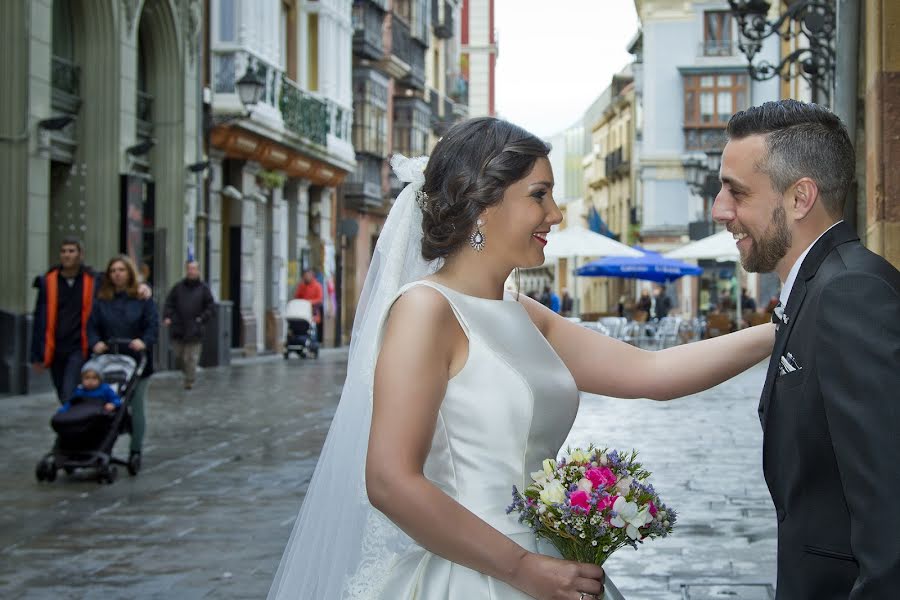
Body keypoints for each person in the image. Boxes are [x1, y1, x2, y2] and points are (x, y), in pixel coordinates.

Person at [268, 118, 775, 600]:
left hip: (549, 566)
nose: (555, 214)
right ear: (482, 205)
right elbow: (389, 480)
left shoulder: (523, 312)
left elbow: (654, 373)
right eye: (539, 195)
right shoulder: (425, 311)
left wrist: (780, 329)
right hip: (479, 572)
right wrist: (520, 568)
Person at [713, 99, 900, 598]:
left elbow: (890, 511)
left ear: (800, 198)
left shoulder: (849, 294)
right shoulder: (819, 291)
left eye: (736, 192)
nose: (719, 210)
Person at [30, 237, 151, 404]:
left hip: (80, 346)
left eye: (71, 251)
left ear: (80, 255)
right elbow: (40, 317)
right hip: (55, 346)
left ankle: (73, 425)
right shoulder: (48, 281)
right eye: (63, 251)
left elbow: (120, 280)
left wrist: (143, 286)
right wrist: (36, 354)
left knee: (70, 391)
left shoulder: (93, 279)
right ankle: (75, 422)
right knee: (61, 392)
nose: (67, 255)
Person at [87, 256, 159, 465]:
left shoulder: (141, 298)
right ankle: (99, 445)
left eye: (121, 270)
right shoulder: (102, 300)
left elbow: (152, 325)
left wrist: (144, 341)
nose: (117, 274)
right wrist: (95, 342)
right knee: (103, 402)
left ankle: (135, 449)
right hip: (108, 360)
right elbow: (92, 325)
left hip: (136, 361)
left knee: (136, 404)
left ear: (129, 273)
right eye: (113, 271)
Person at [163, 260, 215, 390]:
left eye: (194, 269)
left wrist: (201, 318)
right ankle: (186, 374)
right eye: (189, 269)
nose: (191, 271)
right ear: (186, 270)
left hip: (195, 328)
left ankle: (189, 381)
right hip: (179, 328)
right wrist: (168, 316)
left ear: (198, 271)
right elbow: (169, 303)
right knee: (179, 357)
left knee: (191, 357)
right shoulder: (178, 288)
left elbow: (210, 307)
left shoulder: (204, 289)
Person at [293, 269, 324, 341]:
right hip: (301, 312)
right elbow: (297, 296)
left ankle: (313, 343)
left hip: (312, 312)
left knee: (312, 328)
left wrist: (309, 302)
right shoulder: (302, 286)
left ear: (312, 276)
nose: (306, 277)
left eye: (308, 275)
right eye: (305, 276)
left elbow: (319, 299)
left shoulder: (317, 286)